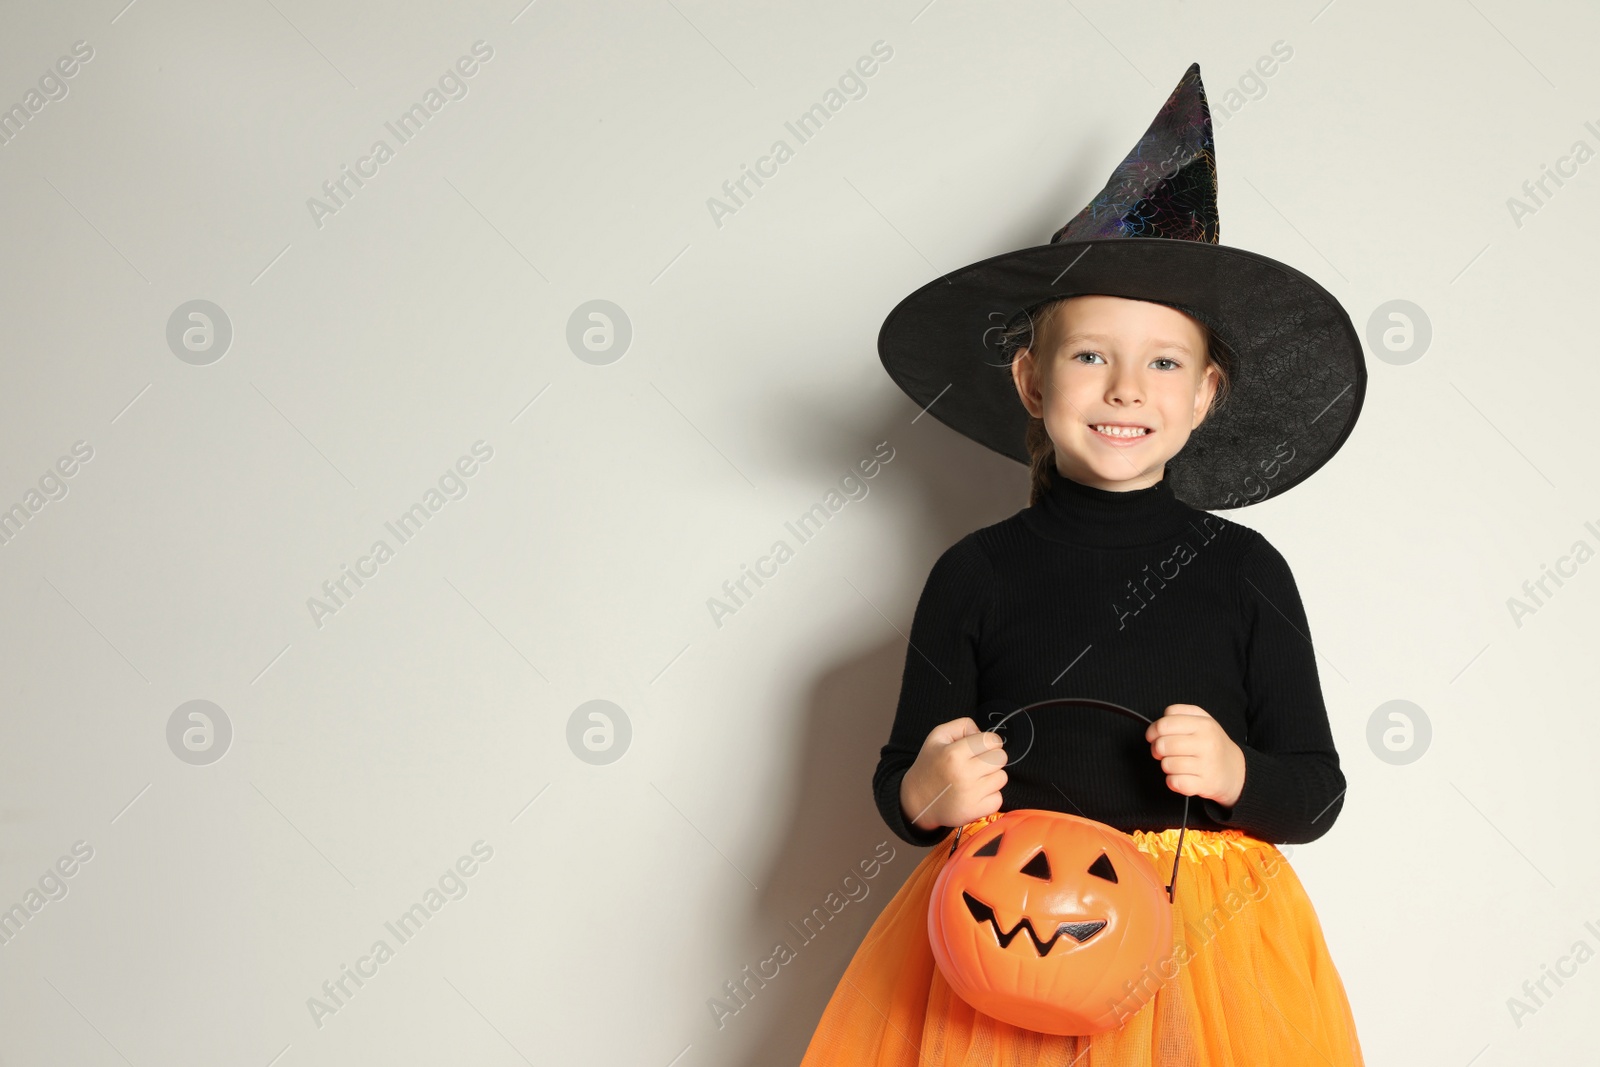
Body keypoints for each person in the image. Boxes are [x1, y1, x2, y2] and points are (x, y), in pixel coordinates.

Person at [798, 63, 1366, 1066]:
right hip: (1006, 932)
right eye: (1088, 354)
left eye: (1161, 362)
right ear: (1030, 378)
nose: (1123, 387)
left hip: (1197, 947)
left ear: (1201, 396)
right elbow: (902, 789)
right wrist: (931, 788)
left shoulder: (1244, 572)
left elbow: (1313, 791)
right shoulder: (973, 574)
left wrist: (1236, 771)